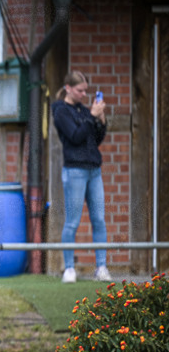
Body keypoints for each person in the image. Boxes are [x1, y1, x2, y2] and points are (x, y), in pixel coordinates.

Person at [52, 70, 111, 283]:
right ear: (68, 88)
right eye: (80, 90)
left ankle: (101, 267)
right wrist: (92, 118)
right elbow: (75, 137)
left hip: (94, 170)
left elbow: (96, 139)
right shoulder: (60, 111)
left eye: (86, 90)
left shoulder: (85, 111)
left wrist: (101, 121)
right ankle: (69, 269)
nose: (84, 94)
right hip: (75, 171)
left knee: (99, 219)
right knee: (73, 221)